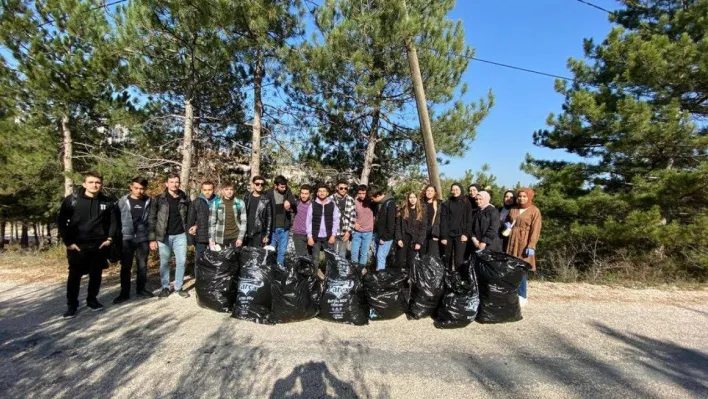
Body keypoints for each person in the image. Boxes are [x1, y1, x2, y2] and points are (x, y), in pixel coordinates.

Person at [58, 171, 118, 318]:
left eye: (97, 182)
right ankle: (72, 305)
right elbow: (61, 222)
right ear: (84, 184)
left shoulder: (107, 201)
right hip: (77, 246)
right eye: (91, 182)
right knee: (74, 276)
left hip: (99, 245)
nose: (94, 185)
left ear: (101, 184)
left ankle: (92, 300)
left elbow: (114, 222)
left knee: (96, 274)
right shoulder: (72, 200)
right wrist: (68, 242)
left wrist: (109, 239)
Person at [148, 174, 191, 299]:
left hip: (180, 235)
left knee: (182, 261)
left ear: (179, 183)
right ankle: (165, 287)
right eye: (171, 182)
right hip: (163, 236)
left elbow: (190, 215)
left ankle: (178, 287)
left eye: (176, 182)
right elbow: (152, 219)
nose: (174, 184)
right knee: (164, 263)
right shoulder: (158, 199)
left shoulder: (184, 198)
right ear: (166, 184)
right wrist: (152, 238)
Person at [113, 176, 154, 305]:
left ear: (145, 189)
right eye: (136, 188)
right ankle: (124, 293)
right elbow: (115, 221)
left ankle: (141, 289)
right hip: (127, 238)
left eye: (142, 188)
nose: (139, 191)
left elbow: (152, 220)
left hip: (143, 238)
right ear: (131, 187)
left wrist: (152, 238)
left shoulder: (149, 201)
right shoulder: (122, 202)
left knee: (142, 266)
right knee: (126, 266)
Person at [504, 188, 542, 306]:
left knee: (522, 268)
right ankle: (512, 293)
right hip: (512, 241)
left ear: (530, 197)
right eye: (520, 196)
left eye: (524, 196)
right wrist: (507, 225)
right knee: (512, 267)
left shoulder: (534, 210)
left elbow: (536, 229)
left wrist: (531, 245)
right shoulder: (514, 208)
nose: (522, 198)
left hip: (524, 242)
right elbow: (508, 220)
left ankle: (522, 295)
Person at [187, 180, 217, 276]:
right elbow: (190, 221)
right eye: (205, 190)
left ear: (213, 189)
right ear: (201, 190)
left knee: (214, 261)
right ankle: (199, 281)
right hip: (201, 237)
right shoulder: (196, 202)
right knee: (199, 261)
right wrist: (190, 240)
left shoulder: (219, 201)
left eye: (210, 189)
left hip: (216, 237)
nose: (207, 192)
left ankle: (213, 281)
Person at [265, 175, 296, 266]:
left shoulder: (288, 191)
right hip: (272, 228)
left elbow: (294, 202)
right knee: (270, 250)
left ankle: (279, 268)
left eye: (285, 186)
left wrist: (288, 201)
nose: (284, 188)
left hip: (284, 228)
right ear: (275, 186)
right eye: (281, 187)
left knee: (282, 251)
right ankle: (269, 268)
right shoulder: (269, 193)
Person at [440, 183, 472, 270]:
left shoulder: (466, 203)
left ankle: (460, 280)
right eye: (453, 189)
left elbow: (469, 220)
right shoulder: (447, 203)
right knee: (447, 258)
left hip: (461, 235)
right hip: (448, 235)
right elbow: (443, 221)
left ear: (461, 190)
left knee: (459, 260)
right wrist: (443, 236)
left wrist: (466, 234)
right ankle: (448, 278)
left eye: (457, 189)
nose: (455, 191)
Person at [306, 183, 340, 265]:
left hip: (328, 237)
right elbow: (308, 221)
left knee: (330, 259)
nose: (322, 193)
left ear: (327, 193)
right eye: (320, 191)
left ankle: (329, 276)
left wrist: (333, 235)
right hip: (315, 237)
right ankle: (314, 276)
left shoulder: (332, 205)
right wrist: (309, 236)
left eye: (324, 191)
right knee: (315, 258)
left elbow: (336, 221)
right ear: (317, 193)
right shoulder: (313, 205)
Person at [209, 182, 246, 249]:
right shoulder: (216, 203)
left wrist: (240, 238)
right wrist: (212, 240)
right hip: (220, 237)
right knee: (221, 259)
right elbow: (212, 223)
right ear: (223, 191)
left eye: (231, 189)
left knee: (235, 258)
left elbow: (244, 221)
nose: (229, 192)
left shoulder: (240, 203)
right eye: (226, 189)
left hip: (235, 237)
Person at [394, 192, 427, 269]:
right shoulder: (402, 211)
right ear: (408, 199)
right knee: (400, 261)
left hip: (414, 240)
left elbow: (423, 228)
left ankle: (409, 279)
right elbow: (398, 226)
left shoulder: (421, 212)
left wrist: (419, 242)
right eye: (410, 197)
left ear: (417, 199)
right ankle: (398, 278)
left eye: (414, 197)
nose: (412, 199)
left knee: (410, 262)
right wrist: (398, 239)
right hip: (403, 238)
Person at [243, 175, 273, 248]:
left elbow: (269, 218)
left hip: (259, 233)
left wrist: (267, 235)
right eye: (257, 184)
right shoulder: (247, 197)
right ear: (253, 184)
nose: (260, 186)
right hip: (246, 231)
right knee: (245, 256)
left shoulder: (266, 199)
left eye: (262, 184)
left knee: (257, 256)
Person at [371, 187, 396, 271]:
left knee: (381, 256)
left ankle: (380, 277)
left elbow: (391, 223)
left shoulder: (390, 203)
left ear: (377, 195)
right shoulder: (381, 203)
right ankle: (378, 273)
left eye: (373, 198)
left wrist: (384, 238)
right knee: (378, 256)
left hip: (385, 237)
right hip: (379, 234)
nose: (372, 200)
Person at [330, 180, 356, 258]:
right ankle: (333, 270)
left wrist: (349, 232)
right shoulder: (330, 199)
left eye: (345, 188)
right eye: (341, 188)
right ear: (337, 188)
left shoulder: (350, 199)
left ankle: (341, 270)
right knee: (332, 253)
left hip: (345, 231)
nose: (343, 190)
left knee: (342, 254)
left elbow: (353, 216)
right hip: (333, 231)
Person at [351, 185, 374, 266]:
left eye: (363, 193)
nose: (361, 195)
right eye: (359, 193)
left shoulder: (371, 202)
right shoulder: (355, 202)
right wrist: (354, 223)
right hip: (357, 232)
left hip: (368, 232)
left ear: (367, 193)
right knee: (354, 253)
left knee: (363, 254)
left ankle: (360, 271)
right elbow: (350, 215)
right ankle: (354, 270)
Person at [291, 185, 313, 257]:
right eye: (302, 193)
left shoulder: (313, 205)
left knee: (311, 257)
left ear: (310, 194)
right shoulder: (296, 203)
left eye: (306, 194)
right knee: (301, 257)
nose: (304, 196)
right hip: (298, 234)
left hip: (310, 235)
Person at [420, 184, 441, 257]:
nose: (429, 192)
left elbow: (440, 220)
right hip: (422, 233)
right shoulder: (420, 203)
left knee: (432, 256)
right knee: (422, 255)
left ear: (435, 192)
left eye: (432, 191)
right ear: (425, 192)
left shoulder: (439, 204)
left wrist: (437, 234)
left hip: (433, 233)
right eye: (428, 190)